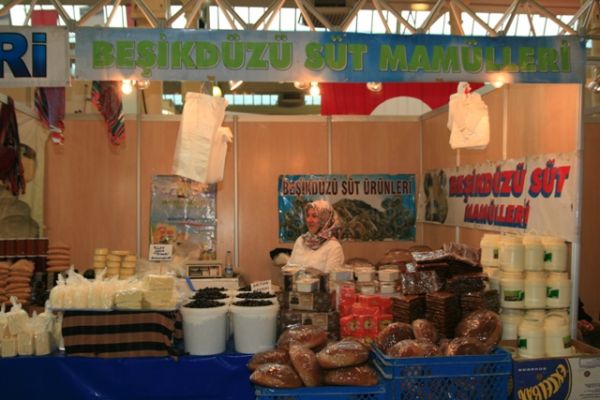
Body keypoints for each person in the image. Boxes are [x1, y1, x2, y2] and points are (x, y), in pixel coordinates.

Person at [287, 199, 344, 274]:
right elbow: (289, 269)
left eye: (314, 216)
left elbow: (331, 278)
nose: (309, 220)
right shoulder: (301, 240)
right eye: (308, 215)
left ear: (325, 219)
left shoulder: (334, 247)